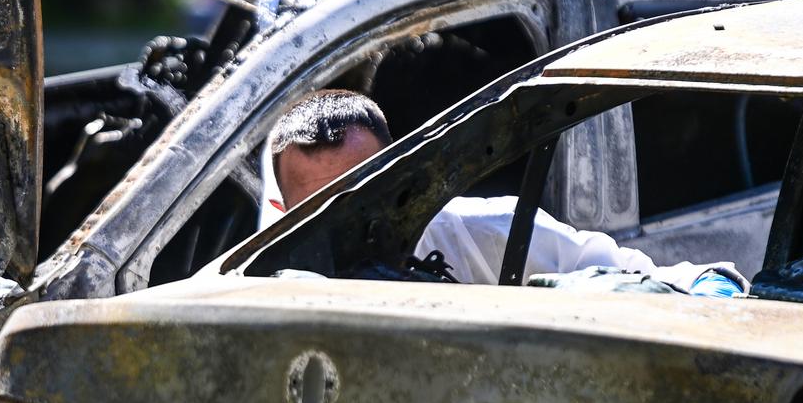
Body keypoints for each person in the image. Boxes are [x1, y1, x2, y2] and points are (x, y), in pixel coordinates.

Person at [267, 90, 733, 287]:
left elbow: (644, 280)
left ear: (400, 184)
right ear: (280, 212)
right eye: (317, 214)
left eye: (361, 201)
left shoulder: (482, 235)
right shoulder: (252, 292)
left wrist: (712, 287)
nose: (345, 228)